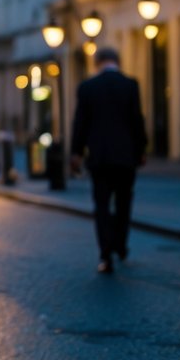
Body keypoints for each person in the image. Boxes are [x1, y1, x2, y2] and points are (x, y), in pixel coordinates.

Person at [70, 46, 147, 273]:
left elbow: (80, 123)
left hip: (100, 157)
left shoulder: (87, 88)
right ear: (117, 61)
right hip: (125, 157)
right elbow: (137, 121)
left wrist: (76, 152)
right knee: (124, 203)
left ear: (98, 63)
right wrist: (141, 149)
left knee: (101, 206)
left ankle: (105, 254)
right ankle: (120, 245)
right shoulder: (130, 85)